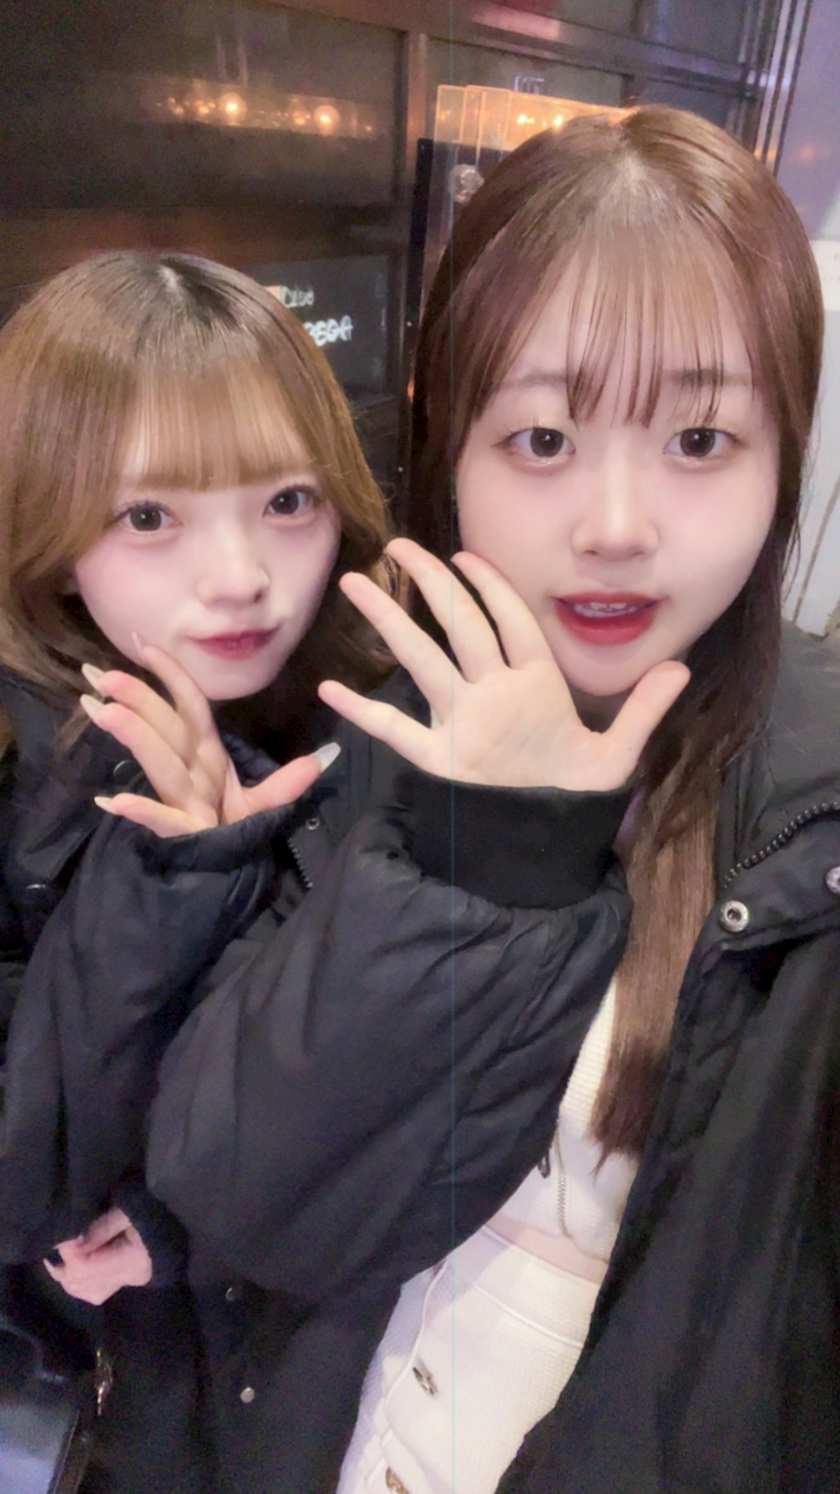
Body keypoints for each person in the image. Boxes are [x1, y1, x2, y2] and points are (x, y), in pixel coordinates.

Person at [144, 105, 840, 1494]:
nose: (617, 526)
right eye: (542, 438)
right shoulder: (374, 721)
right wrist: (500, 850)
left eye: (702, 437)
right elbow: (241, 1199)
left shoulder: (813, 819)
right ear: (445, 451)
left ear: (785, 462)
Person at [0, 248, 390, 1492]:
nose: (240, 578)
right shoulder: (28, 775)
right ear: (47, 532)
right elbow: (29, 1194)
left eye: (287, 500)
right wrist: (165, 874)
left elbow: (379, 1100)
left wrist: (178, 1221)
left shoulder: (385, 737)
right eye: (149, 516)